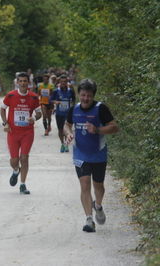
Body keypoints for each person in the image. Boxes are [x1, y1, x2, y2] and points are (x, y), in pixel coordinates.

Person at [64, 79, 119, 233]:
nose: (85, 99)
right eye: (82, 95)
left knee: (98, 186)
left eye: (88, 96)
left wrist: (98, 130)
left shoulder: (101, 109)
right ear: (78, 95)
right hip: (80, 153)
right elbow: (67, 125)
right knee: (85, 184)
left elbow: (115, 127)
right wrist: (68, 134)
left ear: (93, 96)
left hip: (98, 153)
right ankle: (89, 219)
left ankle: (98, 205)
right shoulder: (74, 109)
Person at [0, 72, 42, 194]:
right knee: (14, 160)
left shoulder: (34, 97)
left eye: (25, 81)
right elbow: (2, 109)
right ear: (17, 82)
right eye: (21, 81)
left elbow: (39, 113)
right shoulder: (11, 95)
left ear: (28, 83)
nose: (23, 83)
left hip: (27, 132)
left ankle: (23, 184)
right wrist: (5, 123)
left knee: (24, 158)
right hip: (13, 132)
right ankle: (15, 171)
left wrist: (33, 118)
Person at [50, 75, 76, 152]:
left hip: (67, 114)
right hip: (59, 114)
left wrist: (72, 107)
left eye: (65, 82)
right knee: (60, 130)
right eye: (62, 82)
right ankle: (62, 143)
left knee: (67, 130)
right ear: (59, 82)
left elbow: (74, 99)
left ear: (67, 82)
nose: (63, 83)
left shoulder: (70, 91)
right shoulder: (56, 91)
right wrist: (55, 102)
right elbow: (51, 100)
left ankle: (66, 144)